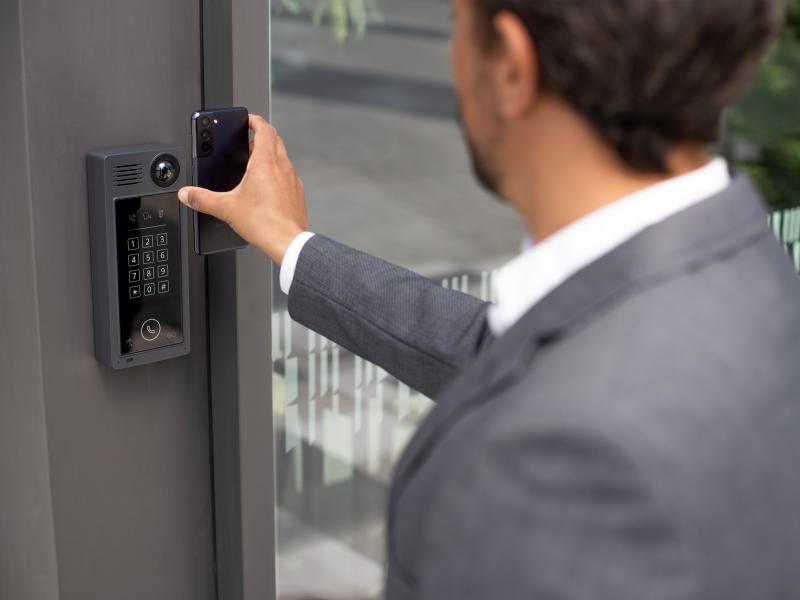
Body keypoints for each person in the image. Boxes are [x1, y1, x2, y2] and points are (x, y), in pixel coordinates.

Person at [179, 0, 800, 597]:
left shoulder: (553, 463)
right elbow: (505, 353)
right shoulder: (746, 272)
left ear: (510, 64)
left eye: (457, 24)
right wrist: (293, 246)